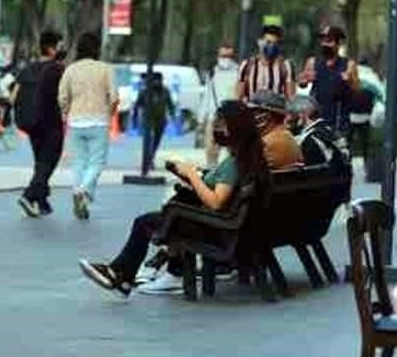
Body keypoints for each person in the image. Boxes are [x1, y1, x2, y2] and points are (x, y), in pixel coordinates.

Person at [78, 101, 267, 297]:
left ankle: (125, 275)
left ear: (235, 128)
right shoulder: (247, 157)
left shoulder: (233, 164)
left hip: (213, 228)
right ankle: (134, 275)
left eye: (222, 124)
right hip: (222, 225)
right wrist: (190, 175)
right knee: (163, 214)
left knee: (146, 223)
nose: (217, 129)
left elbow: (216, 202)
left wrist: (192, 175)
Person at [58, 32, 118, 220]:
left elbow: (62, 96)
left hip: (75, 121)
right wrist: (109, 113)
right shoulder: (105, 69)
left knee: (78, 162)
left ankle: (79, 193)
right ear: (97, 49)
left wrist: (66, 112)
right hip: (99, 121)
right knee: (97, 162)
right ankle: (83, 191)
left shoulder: (71, 70)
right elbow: (114, 97)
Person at [15, 31, 66, 217]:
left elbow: (14, 95)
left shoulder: (27, 69)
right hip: (51, 122)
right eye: (60, 45)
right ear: (51, 49)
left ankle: (42, 201)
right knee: (49, 162)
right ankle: (29, 196)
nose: (63, 49)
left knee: (40, 162)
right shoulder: (57, 70)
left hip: (31, 123)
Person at [298, 25, 359, 138]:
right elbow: (302, 84)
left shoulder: (348, 65)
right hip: (316, 119)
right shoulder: (313, 62)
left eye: (329, 41)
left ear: (339, 43)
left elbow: (356, 90)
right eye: (323, 41)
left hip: (339, 120)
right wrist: (304, 80)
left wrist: (349, 80)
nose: (325, 44)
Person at [199, 42, 239, 166]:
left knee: (233, 152)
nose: (226, 59)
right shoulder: (212, 71)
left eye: (229, 56)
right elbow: (207, 96)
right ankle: (212, 173)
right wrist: (201, 119)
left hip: (232, 117)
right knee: (211, 151)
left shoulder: (239, 72)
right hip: (214, 116)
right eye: (223, 56)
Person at [236, 24, 294, 102]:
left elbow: (290, 97)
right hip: (251, 108)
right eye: (268, 42)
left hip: (275, 108)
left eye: (275, 43)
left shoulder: (285, 66)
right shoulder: (247, 65)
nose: (272, 46)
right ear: (259, 42)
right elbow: (239, 96)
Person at [247, 90, 303, 169]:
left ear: (268, 116)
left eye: (254, 112)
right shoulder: (286, 136)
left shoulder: (267, 143)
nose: (249, 117)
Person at [133, 72, 175, 175]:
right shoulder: (145, 91)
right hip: (147, 119)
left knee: (156, 141)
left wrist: (172, 115)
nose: (157, 83)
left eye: (159, 80)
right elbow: (136, 106)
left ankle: (151, 158)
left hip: (161, 119)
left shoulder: (165, 91)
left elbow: (170, 104)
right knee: (149, 139)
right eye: (155, 80)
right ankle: (147, 160)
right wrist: (135, 119)